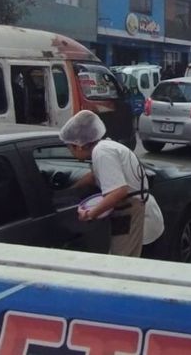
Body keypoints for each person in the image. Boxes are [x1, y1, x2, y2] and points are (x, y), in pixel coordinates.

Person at [60, 110, 164, 257]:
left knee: (123, 264)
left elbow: (119, 191)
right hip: (135, 211)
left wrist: (90, 214)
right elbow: (94, 176)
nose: (70, 152)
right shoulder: (105, 147)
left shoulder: (102, 152)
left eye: (69, 147)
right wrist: (72, 189)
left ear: (79, 145)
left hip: (135, 214)